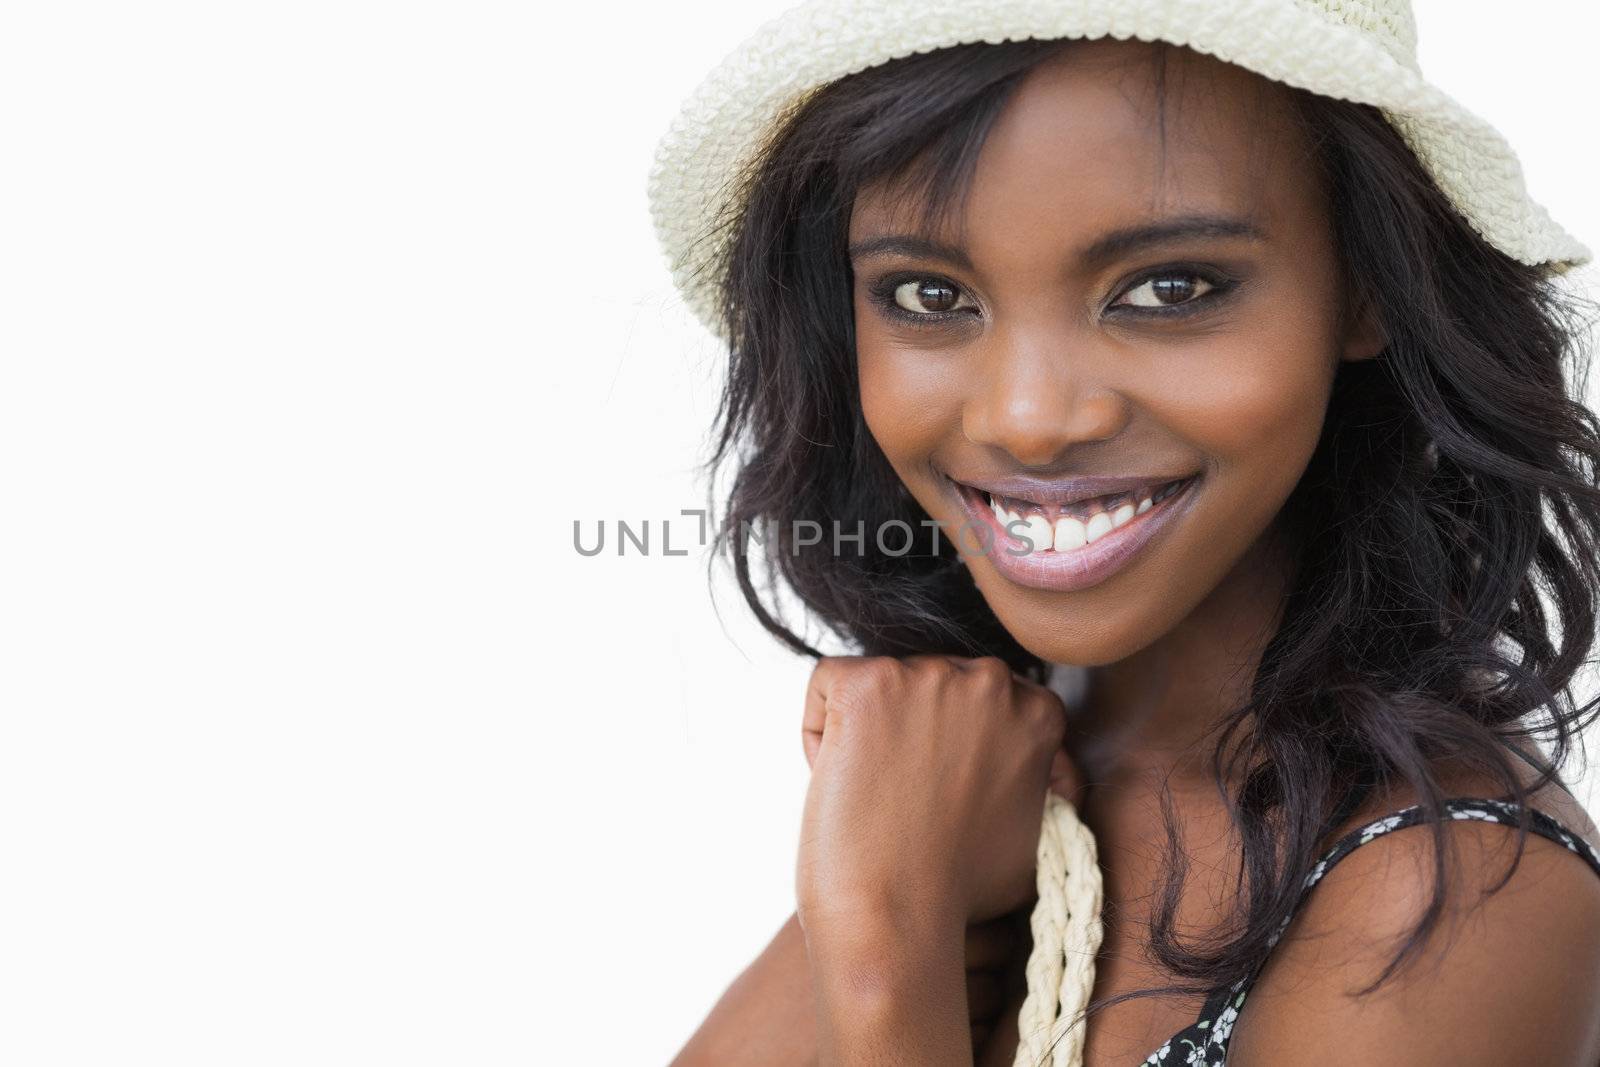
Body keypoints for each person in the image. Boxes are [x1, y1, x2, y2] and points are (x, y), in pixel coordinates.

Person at [647, 3, 1600, 1064]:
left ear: (1368, 285)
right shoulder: (963, 784)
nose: (1028, 416)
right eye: (928, 294)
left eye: (1168, 287)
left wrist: (884, 945)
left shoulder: (1445, 896)